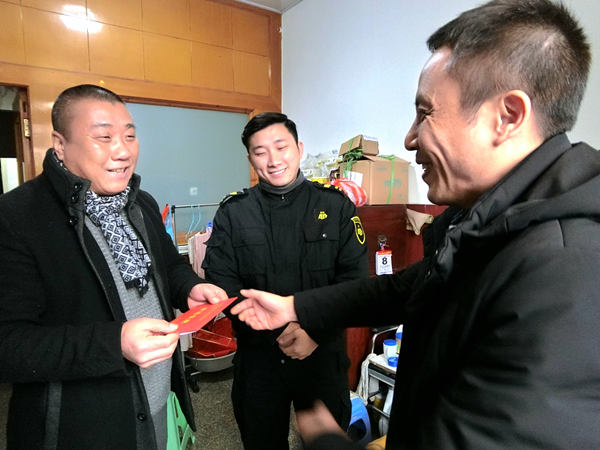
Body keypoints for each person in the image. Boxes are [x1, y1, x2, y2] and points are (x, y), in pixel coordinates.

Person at [231, 0, 600, 448]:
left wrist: (326, 440)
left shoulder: (567, 268)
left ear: (507, 117)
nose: (409, 138)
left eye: (425, 112)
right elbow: (403, 289)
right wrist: (294, 307)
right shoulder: (482, 221)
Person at [0, 84, 228, 450]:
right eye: (103, 137)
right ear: (60, 144)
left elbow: (168, 266)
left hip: (156, 399)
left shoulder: (141, 203)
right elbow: (9, 345)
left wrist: (189, 288)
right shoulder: (17, 217)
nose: (122, 151)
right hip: (84, 428)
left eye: (129, 136)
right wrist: (114, 343)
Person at [201, 112, 368, 449]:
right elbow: (221, 279)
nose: (273, 160)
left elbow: (353, 280)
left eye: (281, 147)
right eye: (260, 151)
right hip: (259, 357)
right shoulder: (234, 212)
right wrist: (273, 331)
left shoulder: (335, 206)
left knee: (325, 442)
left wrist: (314, 332)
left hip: (321, 353)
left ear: (299, 149)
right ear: (250, 159)